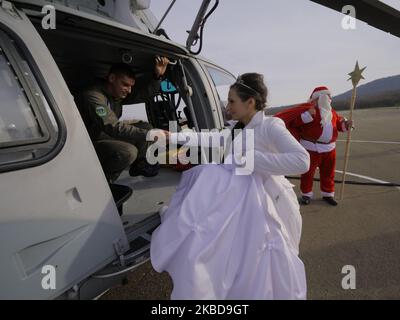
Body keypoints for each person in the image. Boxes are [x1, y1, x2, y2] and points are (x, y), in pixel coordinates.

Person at [150, 73, 310, 299]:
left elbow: (301, 161)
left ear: (250, 102)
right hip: (241, 203)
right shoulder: (237, 127)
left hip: (267, 204)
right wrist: (173, 136)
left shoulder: (271, 126)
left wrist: (252, 159)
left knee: (261, 260)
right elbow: (211, 139)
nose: (228, 106)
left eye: (232, 101)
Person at [77, 57, 169, 182]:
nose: (129, 90)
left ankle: (140, 164)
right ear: (112, 78)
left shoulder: (115, 96)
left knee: (146, 127)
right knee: (128, 151)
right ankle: (104, 181)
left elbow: (143, 95)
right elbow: (112, 126)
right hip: (87, 141)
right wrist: (150, 135)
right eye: (125, 85)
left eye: (131, 86)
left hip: (103, 135)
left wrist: (157, 77)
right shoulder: (94, 96)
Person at [275, 86, 354, 206]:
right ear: (318, 98)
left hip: (329, 149)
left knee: (328, 172)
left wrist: (346, 124)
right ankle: (306, 194)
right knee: (308, 172)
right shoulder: (309, 111)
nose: (329, 99)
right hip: (311, 148)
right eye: (327, 97)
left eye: (329, 97)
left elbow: (339, 125)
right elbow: (294, 123)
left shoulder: (332, 113)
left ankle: (328, 193)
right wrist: (306, 116)